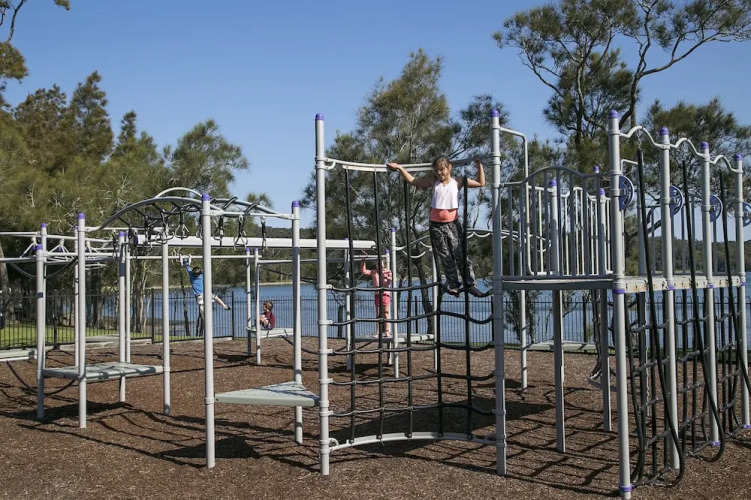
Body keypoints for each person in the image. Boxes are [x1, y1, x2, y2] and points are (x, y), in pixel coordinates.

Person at [387, 155, 487, 297]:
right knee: (446, 257)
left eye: (441, 169)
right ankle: (453, 284)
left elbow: (480, 183)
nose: (439, 173)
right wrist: (399, 168)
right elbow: (413, 181)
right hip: (436, 225)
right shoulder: (433, 182)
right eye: (436, 170)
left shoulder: (457, 181)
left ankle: (470, 283)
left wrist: (478, 164)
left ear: (449, 167)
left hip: (453, 224)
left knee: (460, 254)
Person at [361, 253, 393, 337]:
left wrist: (387, 278)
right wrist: (363, 260)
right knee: (378, 314)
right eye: (377, 264)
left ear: (383, 265)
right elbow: (364, 271)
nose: (379, 266)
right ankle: (378, 332)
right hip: (377, 294)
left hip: (385, 294)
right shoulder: (374, 272)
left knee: (386, 313)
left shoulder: (387, 271)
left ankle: (387, 331)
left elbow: (389, 281)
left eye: (380, 264)